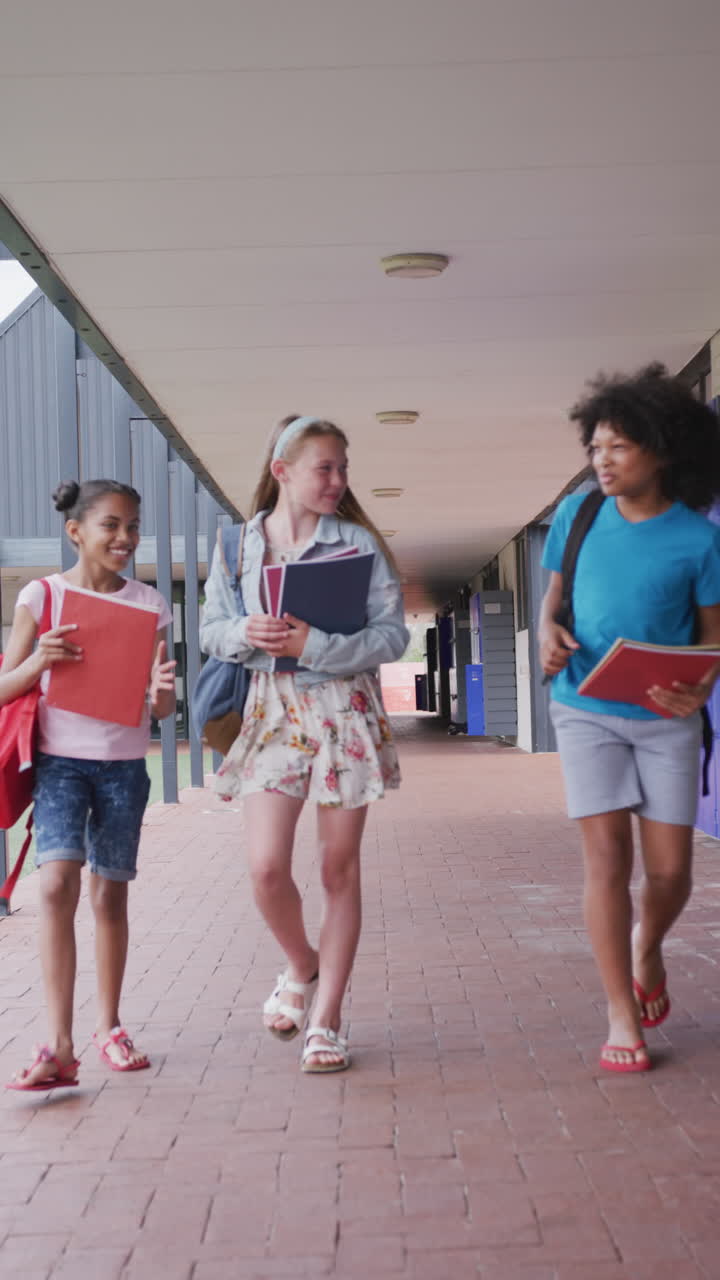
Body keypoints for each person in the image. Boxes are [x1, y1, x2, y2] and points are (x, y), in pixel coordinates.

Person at [200, 415, 408, 1073]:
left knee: (336, 870)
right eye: (325, 467)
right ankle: (301, 965)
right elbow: (209, 629)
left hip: (344, 712)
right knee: (266, 869)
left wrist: (313, 645)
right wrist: (247, 632)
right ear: (283, 470)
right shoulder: (236, 545)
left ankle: (328, 1019)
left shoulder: (358, 544)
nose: (339, 480)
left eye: (343, 468)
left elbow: (393, 636)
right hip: (270, 713)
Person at [538, 363, 720, 1073]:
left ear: (665, 450)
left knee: (671, 874)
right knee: (607, 859)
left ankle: (649, 945)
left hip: (664, 715)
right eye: (596, 446)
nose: (602, 460)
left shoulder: (699, 541)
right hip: (584, 708)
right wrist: (550, 634)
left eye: (619, 446)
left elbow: (712, 638)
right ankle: (621, 1012)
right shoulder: (578, 514)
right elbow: (552, 602)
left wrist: (700, 686)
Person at [2, 479, 175, 1091]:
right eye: (111, 525)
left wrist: (160, 698)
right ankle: (58, 1042)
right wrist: (37, 663)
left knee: (109, 897)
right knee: (54, 887)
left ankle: (109, 1028)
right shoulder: (41, 596)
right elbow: (4, 687)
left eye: (133, 526)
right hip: (59, 763)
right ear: (75, 531)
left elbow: (160, 707)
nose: (125, 538)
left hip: (124, 765)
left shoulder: (151, 604)